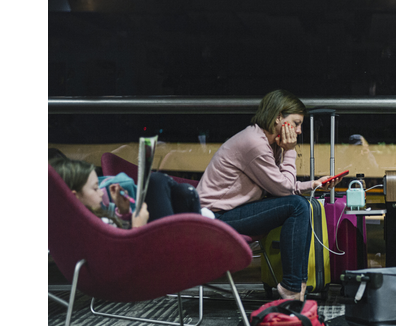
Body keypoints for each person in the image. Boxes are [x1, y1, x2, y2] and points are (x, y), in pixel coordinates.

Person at [196, 89, 339, 302]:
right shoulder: (254, 143)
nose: (299, 131)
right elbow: (283, 188)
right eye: (297, 123)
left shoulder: (266, 141)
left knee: (300, 204)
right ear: (278, 117)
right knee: (297, 206)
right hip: (214, 217)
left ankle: (296, 284)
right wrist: (290, 151)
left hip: (232, 211)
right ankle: (292, 286)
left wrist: (314, 184)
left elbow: (280, 186)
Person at [50, 157, 203, 229]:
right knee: (158, 181)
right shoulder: (84, 227)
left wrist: (124, 211)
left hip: (142, 253)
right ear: (74, 196)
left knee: (182, 192)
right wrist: (138, 226)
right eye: (95, 188)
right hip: (143, 261)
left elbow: (117, 235)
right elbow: (118, 255)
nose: (100, 192)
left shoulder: (90, 217)